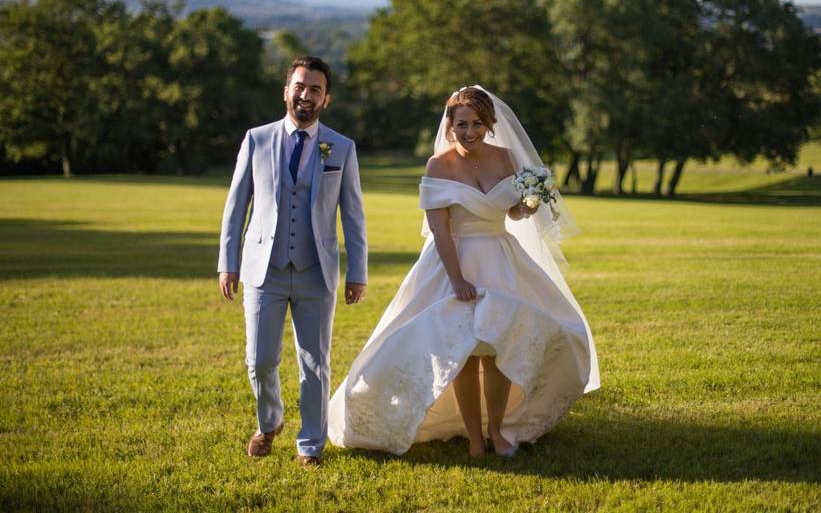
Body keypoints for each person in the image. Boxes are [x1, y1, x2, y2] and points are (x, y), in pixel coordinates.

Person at [328, 85, 599, 458]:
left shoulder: (506, 158)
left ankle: (498, 431)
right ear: (450, 126)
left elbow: (512, 212)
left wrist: (529, 206)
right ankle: (474, 437)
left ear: (488, 124)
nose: (469, 132)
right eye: (461, 125)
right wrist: (457, 279)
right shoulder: (438, 166)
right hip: (453, 261)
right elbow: (440, 230)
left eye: (476, 124)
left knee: (501, 348)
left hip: (501, 259)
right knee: (463, 354)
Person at [217, 56, 367, 467]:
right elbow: (236, 206)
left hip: (316, 272)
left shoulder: (341, 147)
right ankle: (270, 421)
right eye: (300, 86)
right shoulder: (256, 139)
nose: (306, 94)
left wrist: (358, 272)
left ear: (326, 98)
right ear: (286, 91)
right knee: (259, 359)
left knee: (315, 362)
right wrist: (227, 263)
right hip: (263, 270)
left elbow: (353, 215)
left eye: (315, 89)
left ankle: (309, 446)